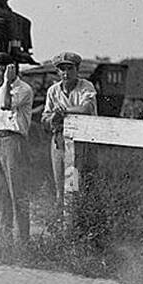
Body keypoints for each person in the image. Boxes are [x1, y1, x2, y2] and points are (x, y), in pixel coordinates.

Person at [0, 52, 35, 251]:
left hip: (14, 141)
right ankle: (4, 239)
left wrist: (8, 82)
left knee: (17, 192)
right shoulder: (2, 89)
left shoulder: (23, 89)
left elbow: (6, 106)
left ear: (8, 68)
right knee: (1, 195)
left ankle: (23, 241)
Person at [41, 51, 98, 207]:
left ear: (77, 70)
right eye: (62, 69)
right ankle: (64, 225)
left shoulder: (85, 86)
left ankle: (81, 225)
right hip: (60, 141)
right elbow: (45, 119)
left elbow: (86, 108)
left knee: (79, 185)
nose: (65, 73)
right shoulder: (53, 91)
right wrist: (53, 117)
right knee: (61, 187)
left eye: (69, 69)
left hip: (82, 142)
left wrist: (64, 111)